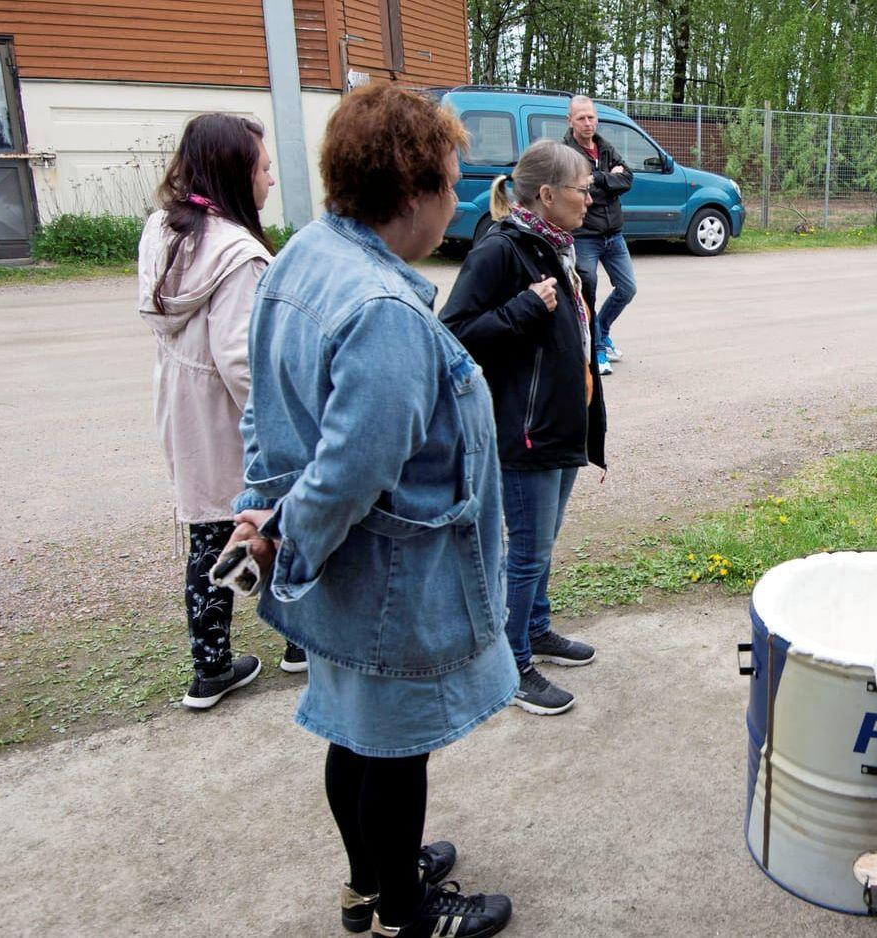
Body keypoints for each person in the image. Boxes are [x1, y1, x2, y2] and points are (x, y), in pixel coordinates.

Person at [228, 85, 515, 938]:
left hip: (337, 569)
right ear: (413, 189)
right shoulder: (383, 311)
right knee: (392, 747)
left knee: (353, 732)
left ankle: (370, 880)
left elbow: (262, 410)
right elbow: (355, 469)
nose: (460, 199)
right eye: (453, 182)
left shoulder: (304, 256)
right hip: (385, 576)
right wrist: (295, 542)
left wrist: (262, 512)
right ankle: (407, 911)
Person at [137, 112, 304, 710]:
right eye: (263, 167)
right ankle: (297, 642)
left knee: (210, 533)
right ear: (236, 172)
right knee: (271, 524)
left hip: (182, 406)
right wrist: (278, 432)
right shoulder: (238, 254)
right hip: (230, 417)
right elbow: (241, 361)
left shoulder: (163, 227)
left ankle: (211, 664)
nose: (270, 181)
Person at [441, 139, 606, 717]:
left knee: (543, 545)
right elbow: (453, 333)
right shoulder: (502, 250)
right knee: (527, 552)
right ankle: (512, 664)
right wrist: (524, 310)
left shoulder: (553, 245)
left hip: (561, 425)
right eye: (581, 189)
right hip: (526, 430)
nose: (590, 198)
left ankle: (535, 629)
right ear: (546, 194)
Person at [561, 94, 635, 375]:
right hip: (585, 236)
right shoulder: (566, 153)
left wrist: (599, 178)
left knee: (627, 289)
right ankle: (596, 351)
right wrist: (608, 180)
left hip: (613, 234)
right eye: (581, 118)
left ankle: (601, 331)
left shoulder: (604, 147)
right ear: (570, 121)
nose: (587, 122)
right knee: (587, 293)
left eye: (591, 117)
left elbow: (627, 179)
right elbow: (575, 189)